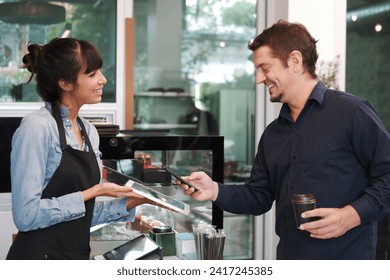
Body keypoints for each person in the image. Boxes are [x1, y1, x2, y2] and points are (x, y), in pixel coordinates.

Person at [179, 20, 390, 260]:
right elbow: (258, 197)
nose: (259, 79)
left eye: (265, 68)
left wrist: (351, 215)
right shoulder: (273, 134)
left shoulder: (351, 112)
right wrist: (214, 190)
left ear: (295, 61)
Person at [6, 38, 157, 260]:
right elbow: (26, 216)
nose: (103, 80)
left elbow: (80, 215)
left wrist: (134, 201)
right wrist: (94, 191)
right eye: (92, 74)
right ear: (65, 83)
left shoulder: (89, 131)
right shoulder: (37, 127)